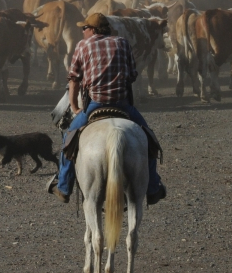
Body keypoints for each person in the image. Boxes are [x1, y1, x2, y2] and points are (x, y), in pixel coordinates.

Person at [46, 13, 167, 205]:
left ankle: (63, 187)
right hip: (123, 105)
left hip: (95, 105)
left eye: (84, 28)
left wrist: (76, 107)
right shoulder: (123, 43)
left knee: (69, 140)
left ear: (92, 29)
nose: (83, 32)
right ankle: (153, 188)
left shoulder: (83, 46)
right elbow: (133, 74)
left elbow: (74, 80)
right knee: (150, 140)